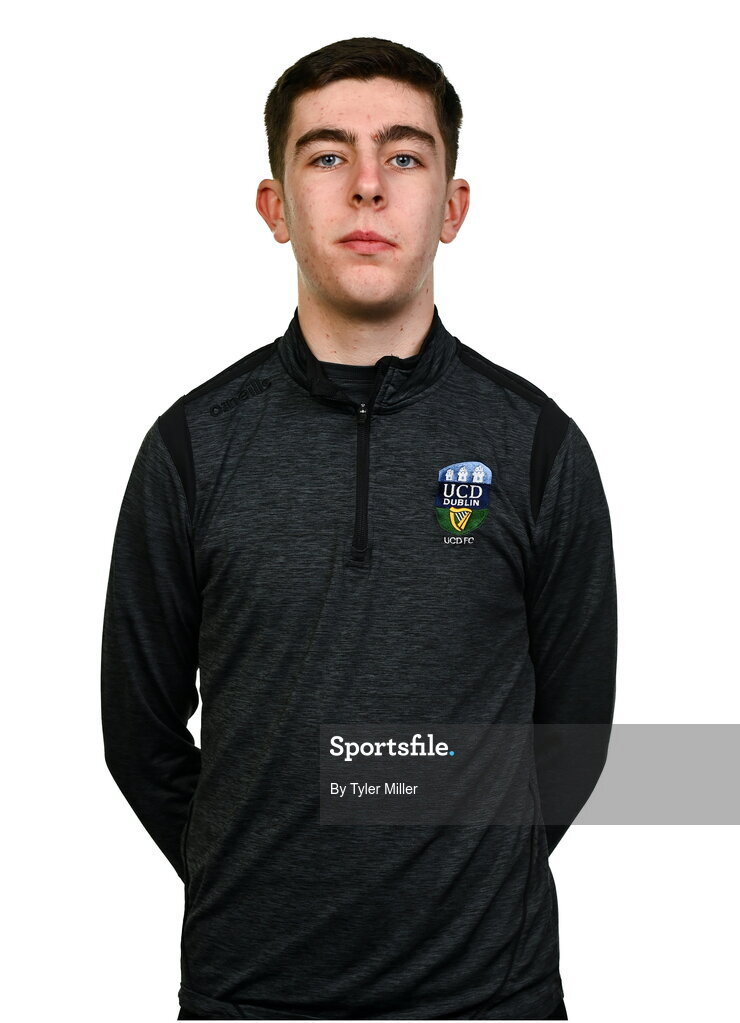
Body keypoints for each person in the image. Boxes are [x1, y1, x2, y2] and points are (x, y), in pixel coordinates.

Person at [101, 36, 617, 1021]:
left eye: (406, 156)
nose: (369, 187)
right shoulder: (190, 450)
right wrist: (254, 869)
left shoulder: (538, 448)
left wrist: (464, 875)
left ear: (451, 207)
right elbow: (138, 738)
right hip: (250, 996)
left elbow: (576, 738)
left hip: (489, 996)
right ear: (275, 206)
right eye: (328, 155)